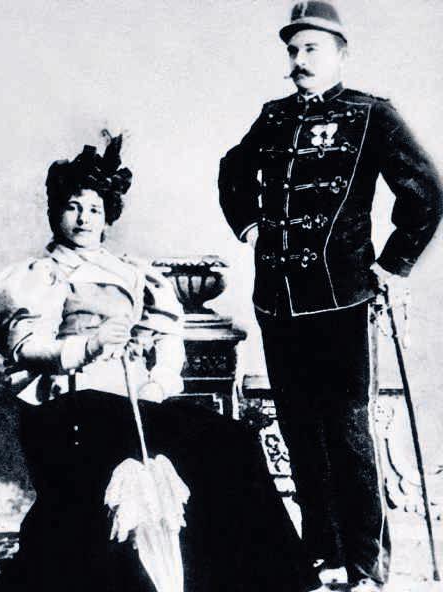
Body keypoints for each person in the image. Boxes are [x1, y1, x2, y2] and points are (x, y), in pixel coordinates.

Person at [0, 134, 319, 592]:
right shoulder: (39, 274)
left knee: (231, 438)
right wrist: (88, 346)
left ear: (107, 217)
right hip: (68, 402)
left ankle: (256, 579)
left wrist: (158, 383)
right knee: (123, 450)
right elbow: (25, 347)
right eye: (72, 207)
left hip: (130, 397)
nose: (83, 219)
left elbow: (166, 335)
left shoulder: (131, 272)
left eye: (94, 209)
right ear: (55, 213)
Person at [218, 2, 443, 591]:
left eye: (312, 48)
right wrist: (251, 226)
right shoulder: (273, 117)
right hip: (277, 302)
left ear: (342, 54)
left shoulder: (373, 115)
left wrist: (392, 265)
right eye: (293, 50)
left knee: (347, 432)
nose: (299, 60)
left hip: (343, 300)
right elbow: (232, 171)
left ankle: (365, 566)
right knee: (300, 431)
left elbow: (426, 192)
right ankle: (324, 557)